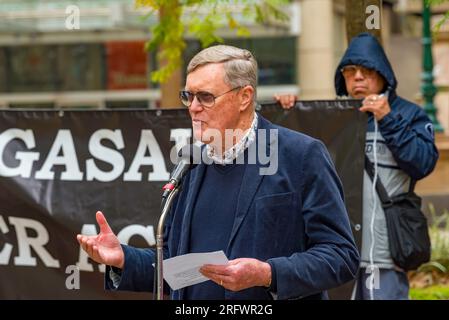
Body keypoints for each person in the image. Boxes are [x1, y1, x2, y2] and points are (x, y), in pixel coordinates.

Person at [77, 44, 360, 300]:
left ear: (244, 97)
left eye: (205, 97)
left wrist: (267, 273)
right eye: (188, 96)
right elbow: (179, 270)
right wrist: (123, 259)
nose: (193, 108)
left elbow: (340, 256)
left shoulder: (300, 155)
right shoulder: (190, 161)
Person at [275, 33, 439, 299]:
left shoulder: (409, 114)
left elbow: (423, 162)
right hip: (335, 250)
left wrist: (388, 119)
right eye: (350, 71)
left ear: (383, 74)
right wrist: (287, 112)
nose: (358, 77)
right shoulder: (331, 117)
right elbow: (292, 157)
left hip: (382, 253)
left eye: (366, 71)